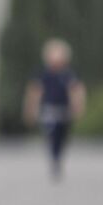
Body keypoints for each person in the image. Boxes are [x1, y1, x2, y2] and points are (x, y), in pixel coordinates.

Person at [23, 38, 86, 180]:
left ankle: (58, 157)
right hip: (49, 110)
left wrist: (78, 106)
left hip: (64, 110)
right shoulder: (42, 74)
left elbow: (76, 91)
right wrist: (30, 109)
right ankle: (54, 158)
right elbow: (35, 92)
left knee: (62, 136)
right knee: (52, 134)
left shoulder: (69, 74)